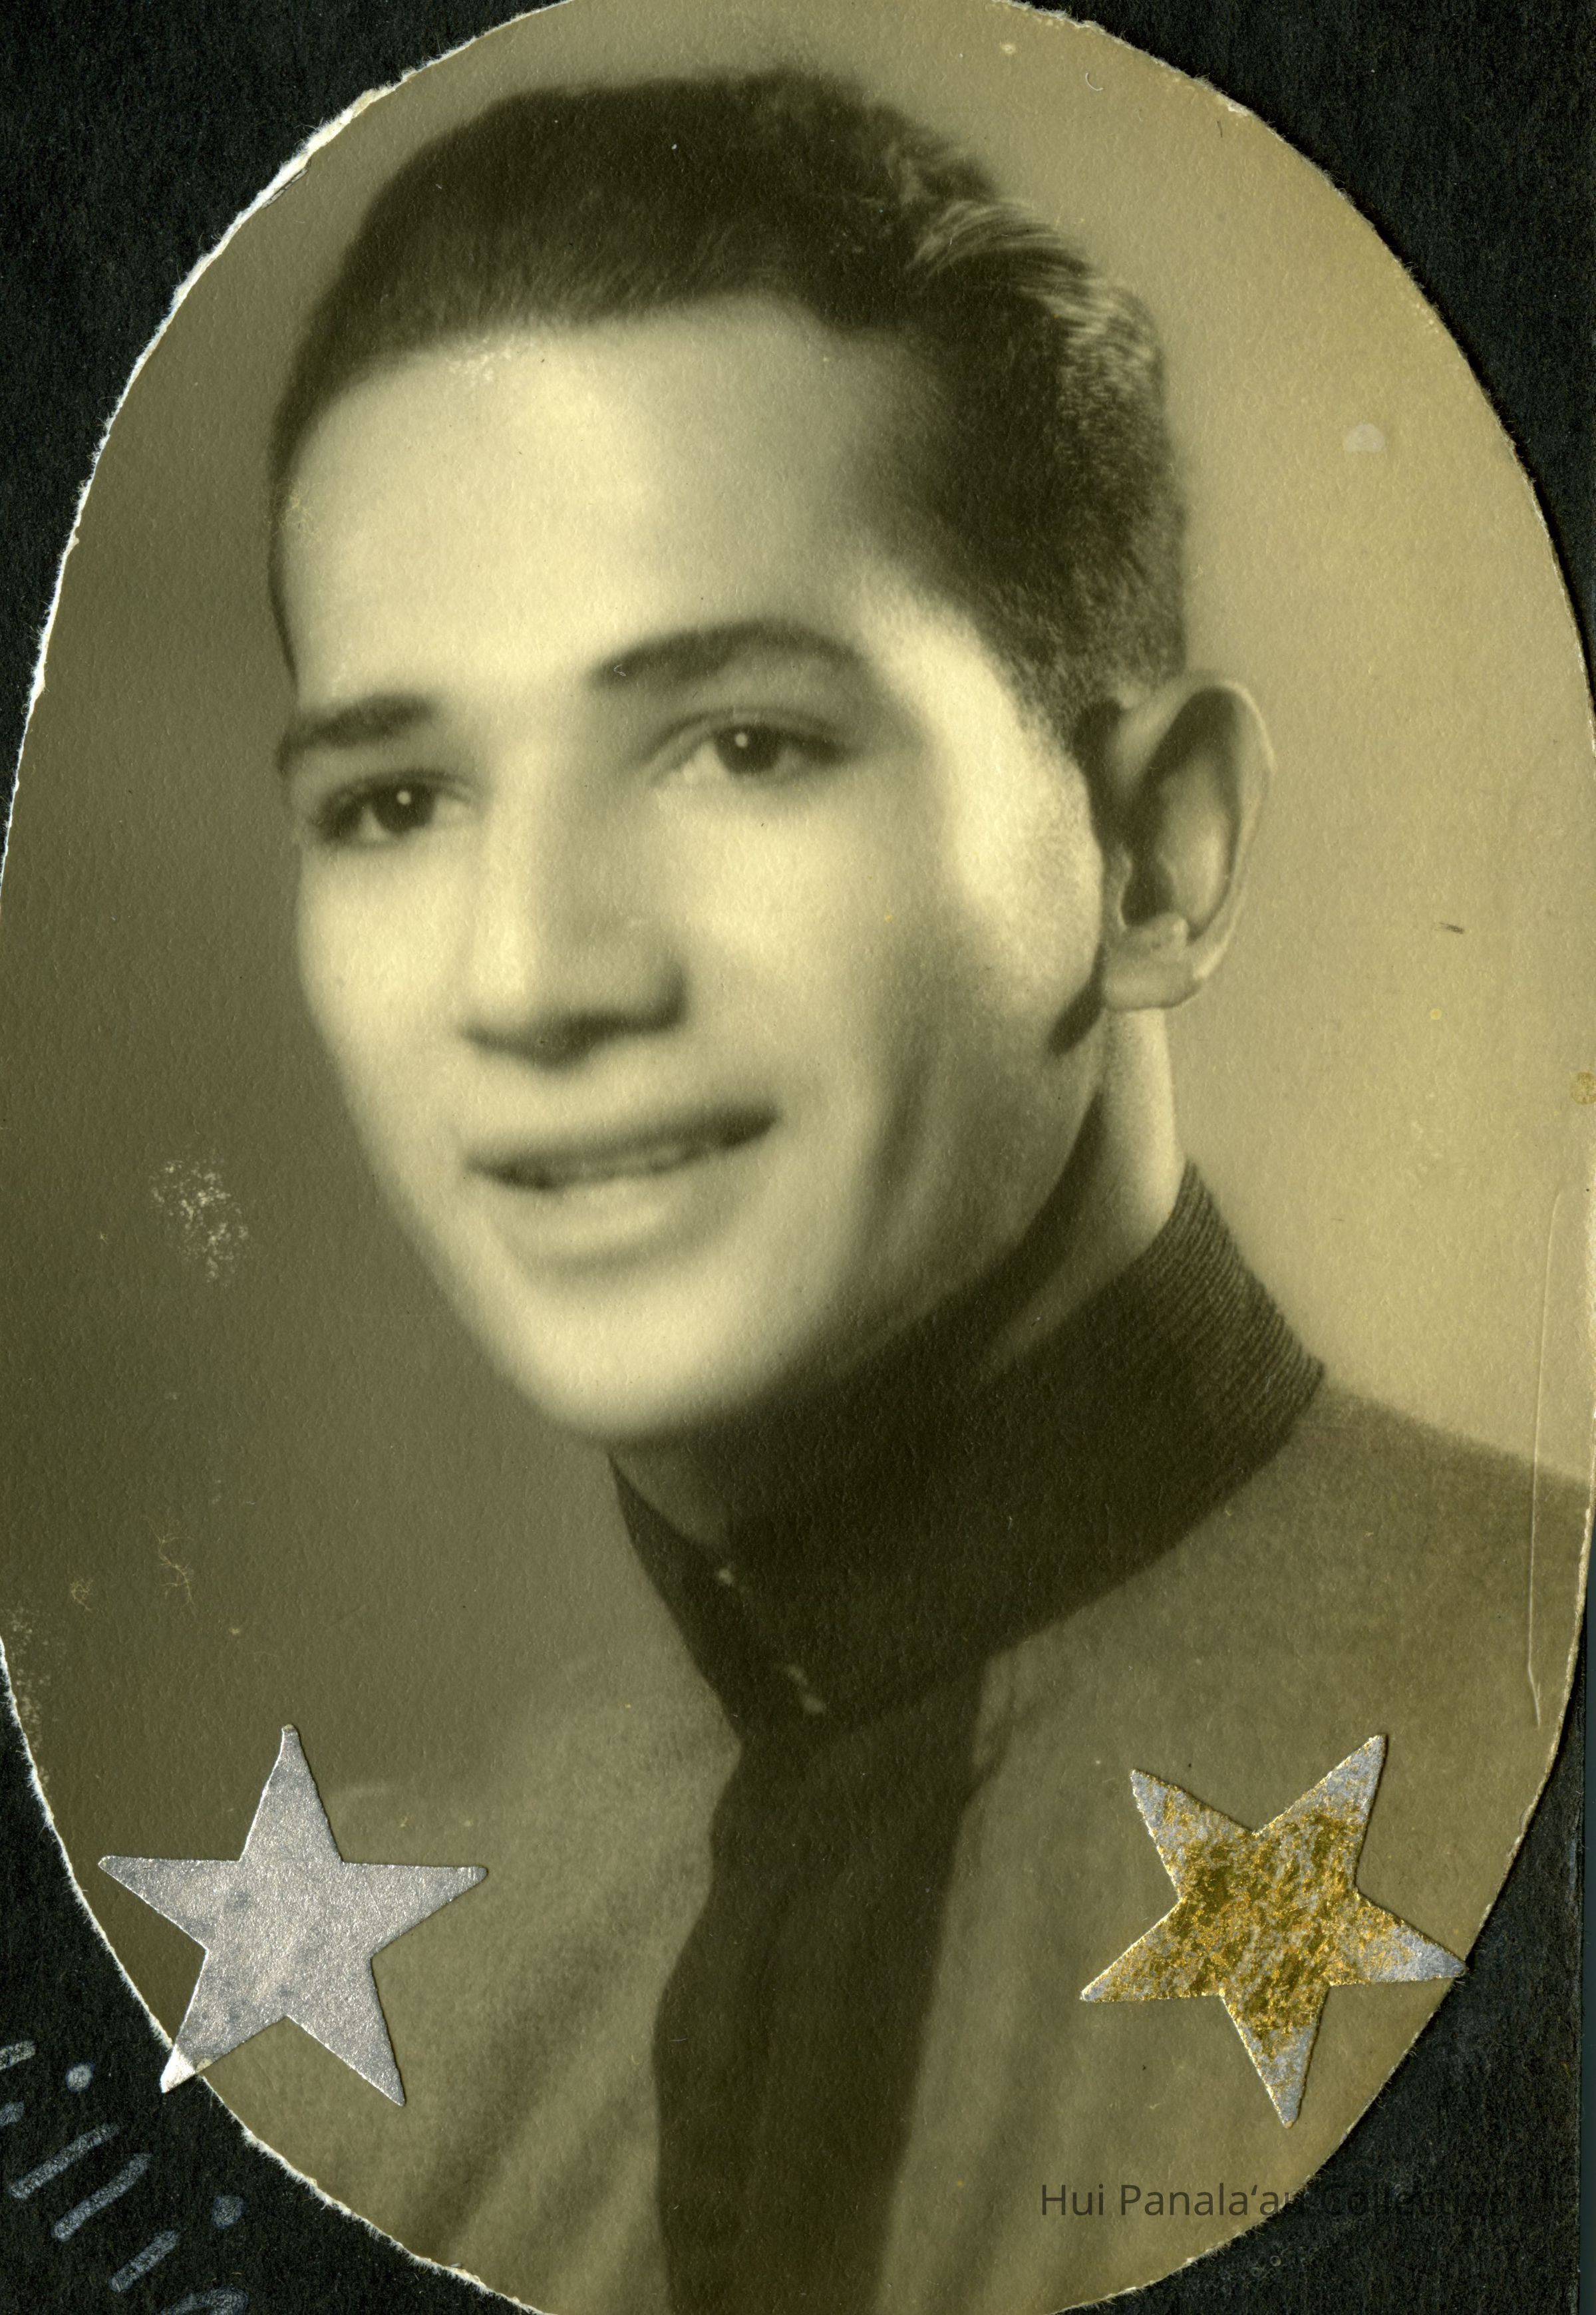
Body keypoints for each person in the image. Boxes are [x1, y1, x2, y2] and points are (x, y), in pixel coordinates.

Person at [216, 67, 1583, 2315]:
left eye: (744, 743)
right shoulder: (360, 2005)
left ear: (1154, 855)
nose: (534, 974)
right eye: (393, 800)